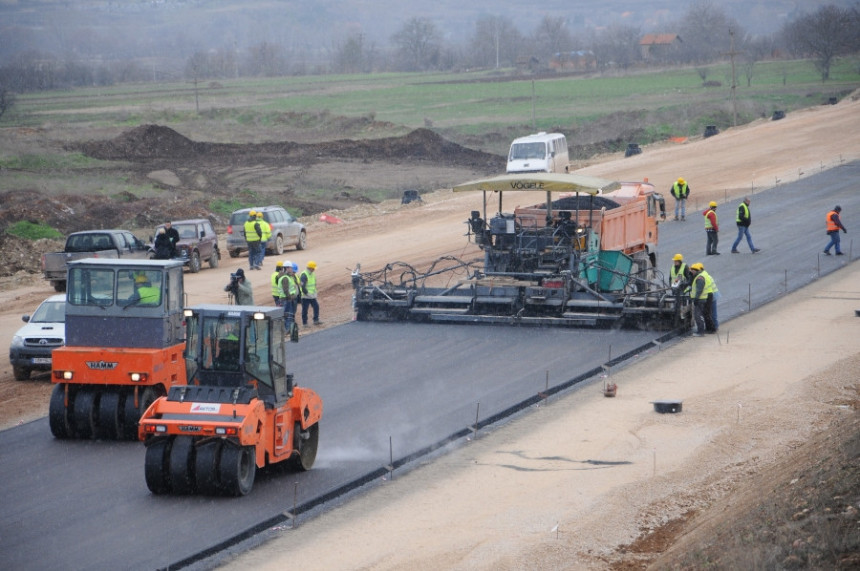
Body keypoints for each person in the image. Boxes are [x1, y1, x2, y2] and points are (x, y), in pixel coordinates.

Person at [688, 262, 717, 336]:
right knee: (706, 313)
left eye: (692, 270)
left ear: (696, 270)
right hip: (706, 296)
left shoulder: (700, 278)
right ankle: (710, 329)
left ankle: (701, 331)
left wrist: (696, 299)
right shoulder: (703, 274)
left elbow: (699, 290)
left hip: (701, 298)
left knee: (698, 315)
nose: (691, 272)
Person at [278, 260, 300, 339]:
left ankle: (288, 330)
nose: (291, 269)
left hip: (286, 299)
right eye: (290, 268)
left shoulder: (287, 277)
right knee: (288, 315)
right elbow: (285, 290)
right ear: (287, 268)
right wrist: (290, 297)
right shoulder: (285, 278)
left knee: (288, 315)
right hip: (286, 299)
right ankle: (287, 330)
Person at [299, 260, 321, 327]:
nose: (314, 269)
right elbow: (302, 287)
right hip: (305, 296)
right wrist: (308, 294)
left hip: (312, 296)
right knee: (305, 310)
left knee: (316, 307)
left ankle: (316, 320)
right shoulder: (304, 275)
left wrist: (314, 293)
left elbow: (313, 284)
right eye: (313, 268)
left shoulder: (312, 274)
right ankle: (305, 323)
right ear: (310, 268)